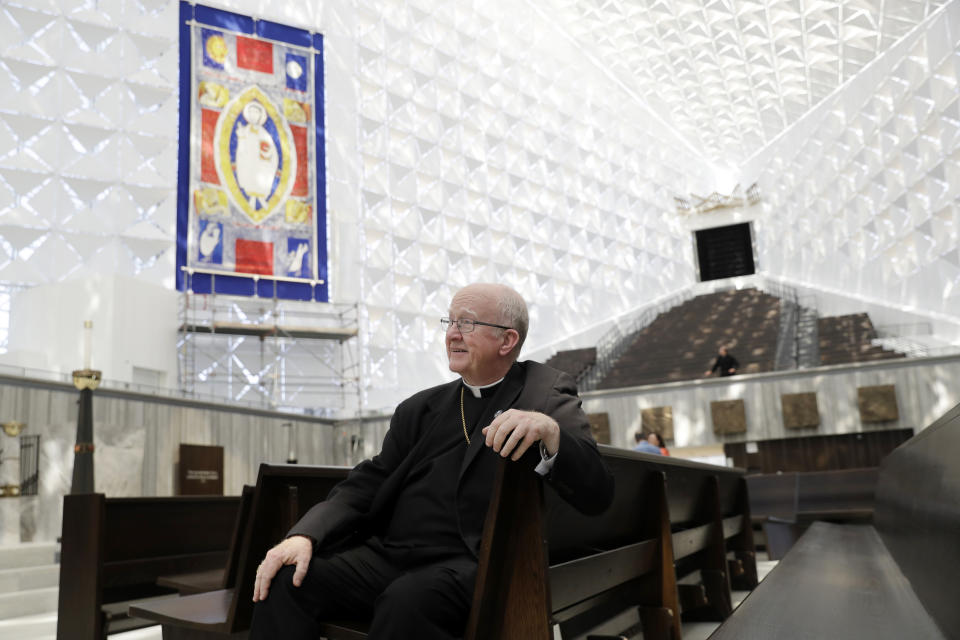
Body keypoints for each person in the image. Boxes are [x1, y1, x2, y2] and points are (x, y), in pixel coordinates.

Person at [249, 283, 614, 640]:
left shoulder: (544, 391)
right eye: (450, 322)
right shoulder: (420, 407)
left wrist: (550, 432)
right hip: (391, 556)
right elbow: (369, 480)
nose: (452, 334)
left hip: (473, 563)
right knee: (288, 577)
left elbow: (597, 490)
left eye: (467, 323)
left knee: (407, 602)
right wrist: (304, 534)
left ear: (507, 340)